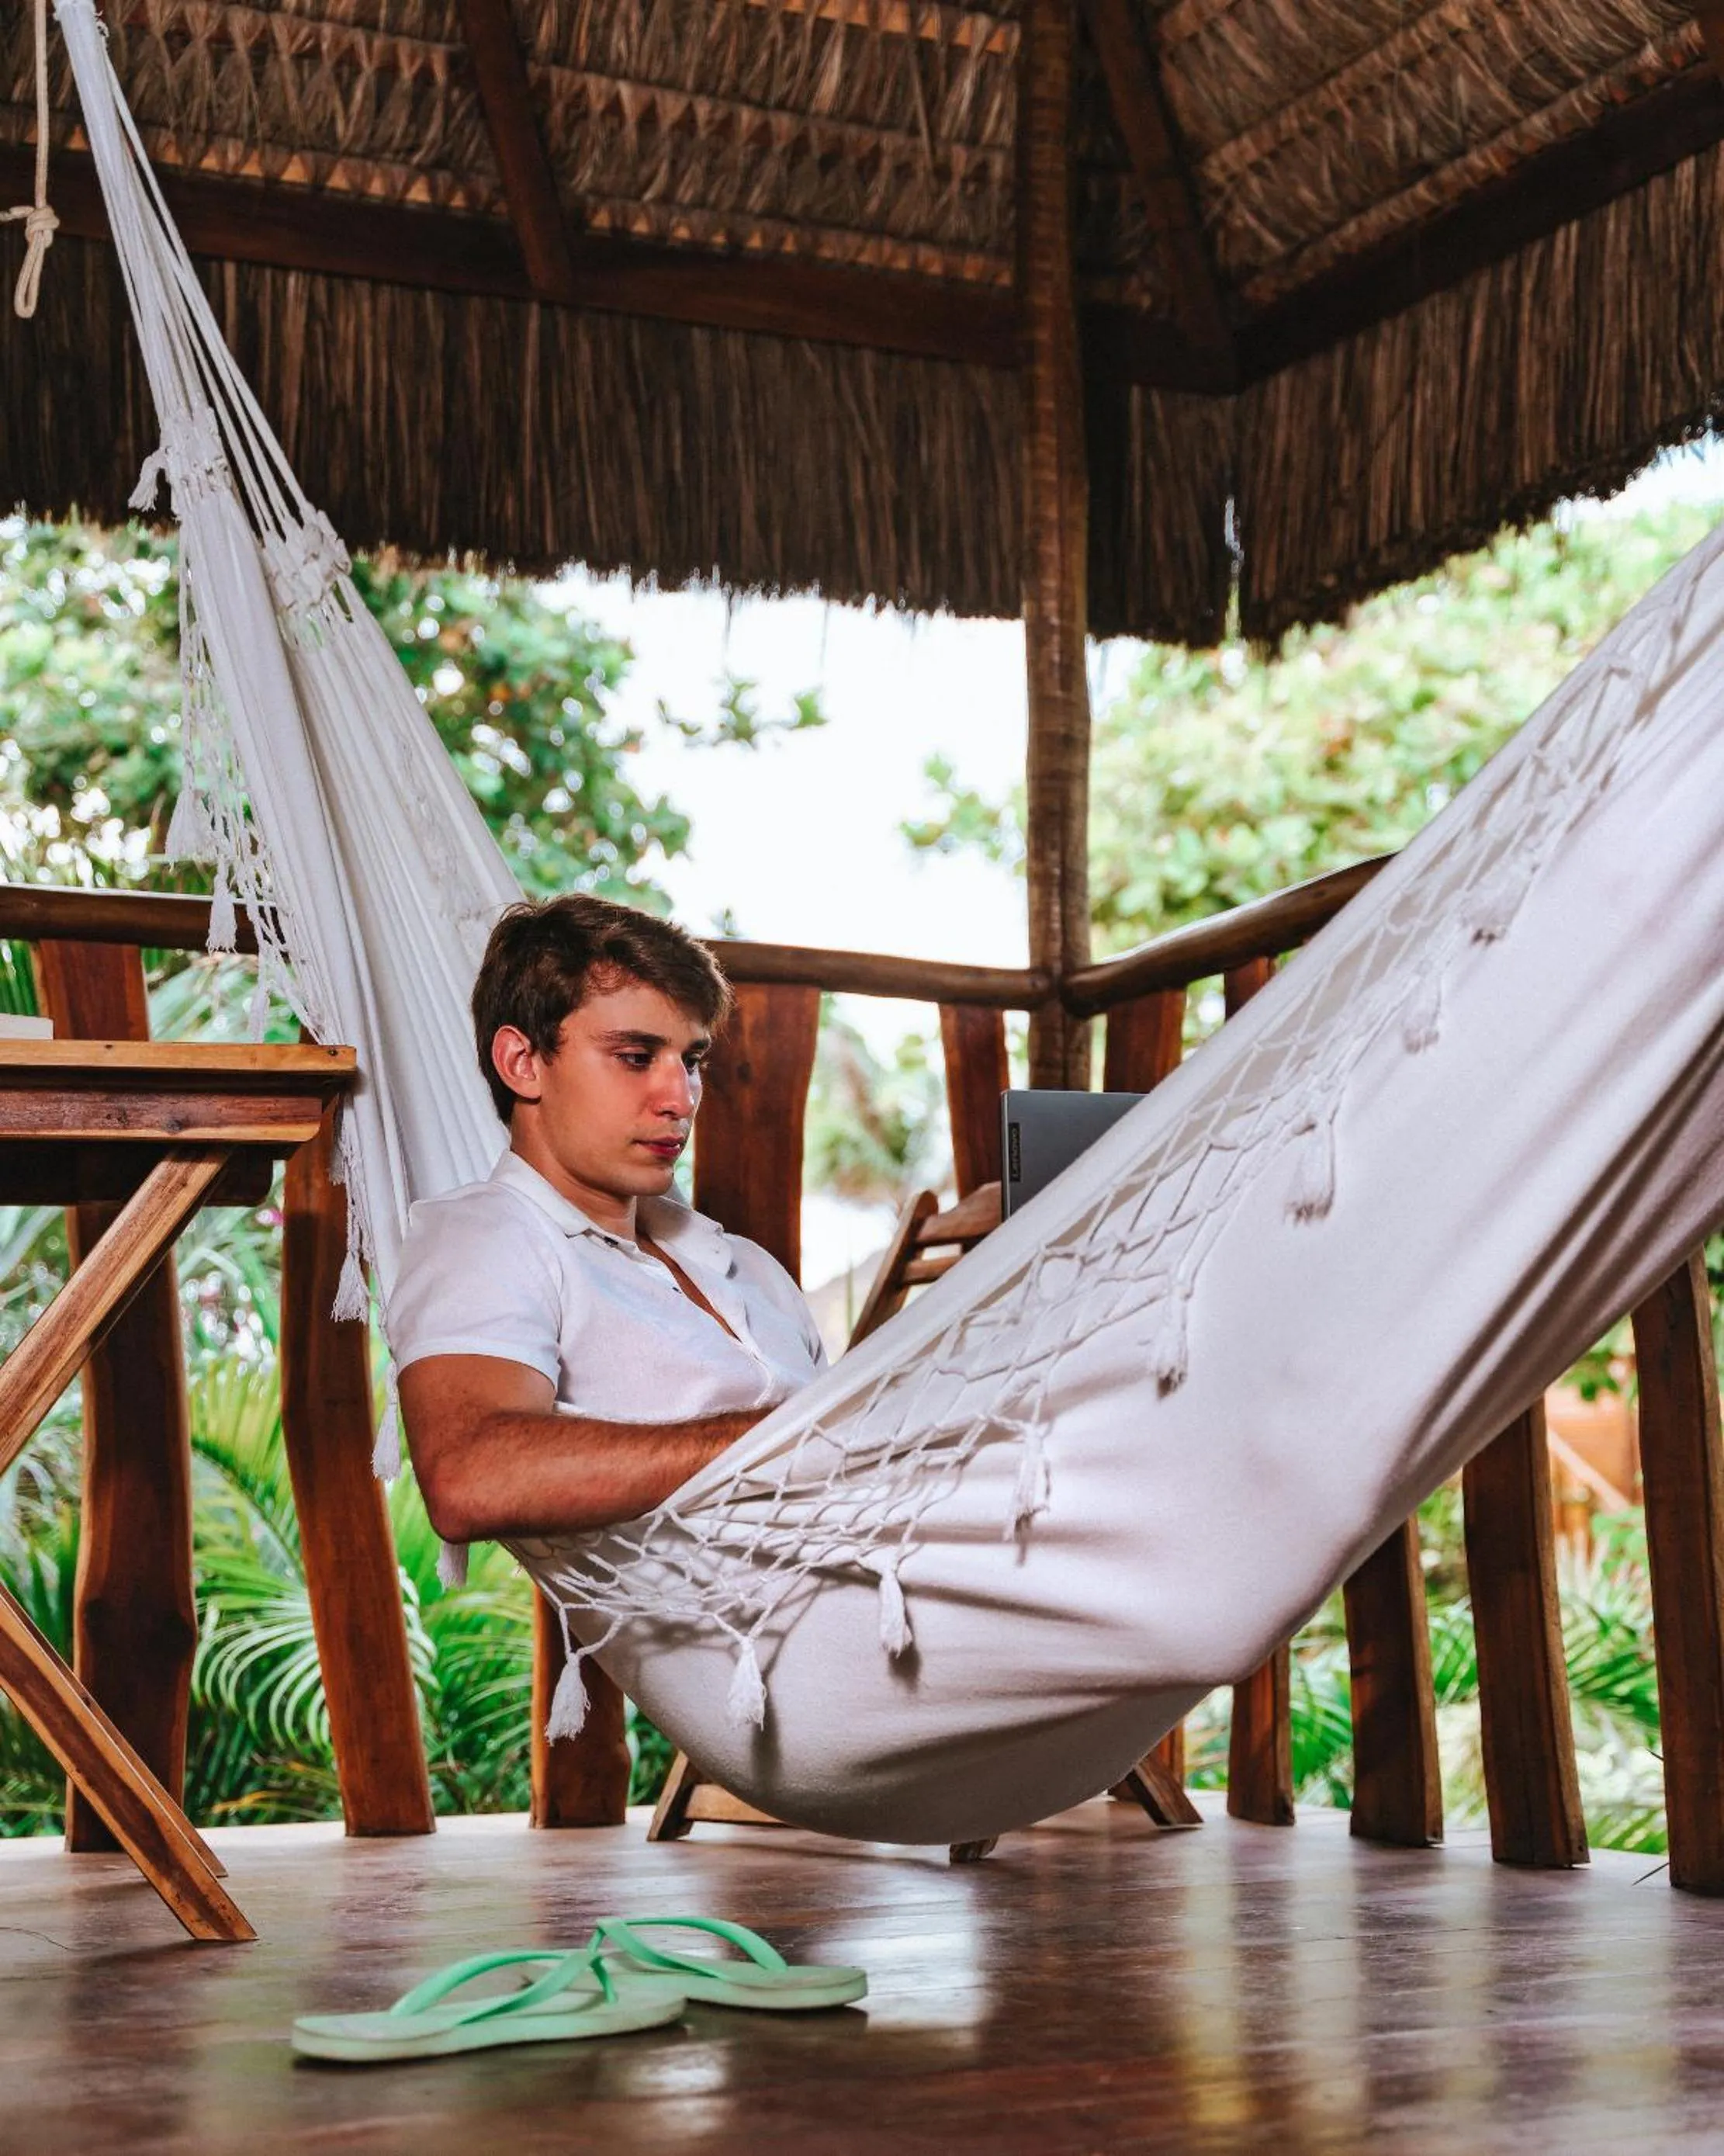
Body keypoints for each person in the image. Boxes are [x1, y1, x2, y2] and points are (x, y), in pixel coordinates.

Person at [388, 894, 827, 1546]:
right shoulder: (487, 1238)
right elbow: (471, 1476)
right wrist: (792, 1439)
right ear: (523, 1063)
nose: (680, 1100)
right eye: (635, 1056)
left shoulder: (748, 1265)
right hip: (766, 1627)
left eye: (693, 1061)